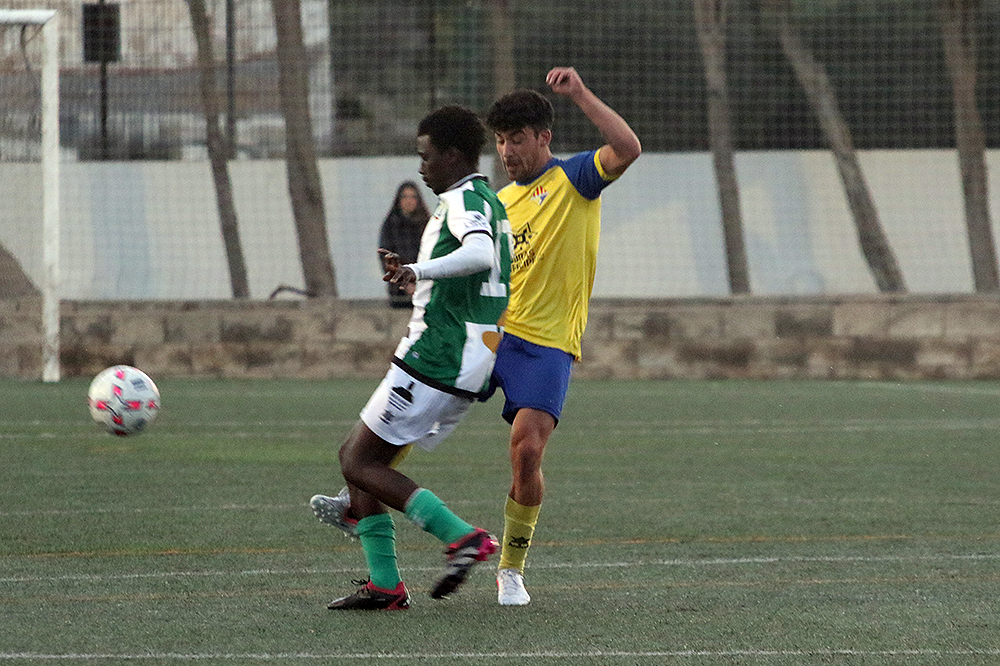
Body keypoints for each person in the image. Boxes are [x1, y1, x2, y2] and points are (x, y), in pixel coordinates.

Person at [312, 105, 512, 611]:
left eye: (426, 156)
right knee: (365, 463)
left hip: (441, 352)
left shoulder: (465, 198)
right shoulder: (485, 199)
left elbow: (480, 254)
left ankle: (462, 537)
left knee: (357, 460)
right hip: (463, 352)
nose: (420, 168)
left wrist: (419, 271)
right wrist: (421, 278)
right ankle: (385, 586)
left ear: (452, 156)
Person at [483, 66, 641, 606]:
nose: (506, 151)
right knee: (419, 402)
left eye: (516, 139)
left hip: (548, 344)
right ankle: (362, 483)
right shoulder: (497, 205)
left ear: (543, 137)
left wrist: (580, 94)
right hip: (494, 337)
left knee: (527, 451)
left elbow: (628, 147)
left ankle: (511, 569)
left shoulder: (576, 178)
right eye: (500, 140)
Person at [378, 181, 431, 308]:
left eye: (413, 197)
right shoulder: (390, 225)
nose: (409, 201)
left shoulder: (427, 224)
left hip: (426, 290)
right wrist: (406, 283)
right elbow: (386, 257)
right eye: (405, 197)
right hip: (399, 293)